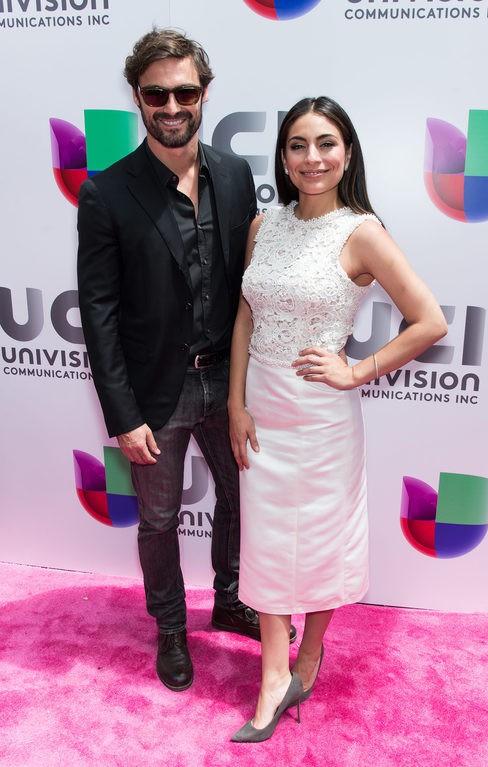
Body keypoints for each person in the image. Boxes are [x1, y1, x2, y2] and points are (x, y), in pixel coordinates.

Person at [77, 28, 296, 694]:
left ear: (205, 93)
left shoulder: (235, 174)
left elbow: (249, 286)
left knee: (240, 498)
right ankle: (171, 625)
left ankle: (230, 597)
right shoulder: (106, 193)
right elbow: (100, 313)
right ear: (138, 97)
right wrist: (124, 412)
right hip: (156, 393)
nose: (171, 105)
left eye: (185, 91)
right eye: (156, 93)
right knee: (160, 518)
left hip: (228, 381)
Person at [228, 96, 448, 741]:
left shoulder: (362, 231)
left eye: (326, 143)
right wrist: (237, 402)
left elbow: (430, 320)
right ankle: (273, 675)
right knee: (266, 543)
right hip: (263, 408)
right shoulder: (264, 225)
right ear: (284, 157)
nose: (312, 157)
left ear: (346, 153)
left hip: (323, 417)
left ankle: (310, 656)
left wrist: (358, 369)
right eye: (298, 145)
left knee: (321, 541)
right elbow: (246, 314)